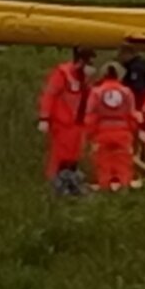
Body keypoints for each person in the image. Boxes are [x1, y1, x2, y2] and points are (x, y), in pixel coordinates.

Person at [37, 47, 94, 195]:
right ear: (80, 61)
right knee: (60, 157)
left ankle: (70, 185)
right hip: (62, 123)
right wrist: (45, 117)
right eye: (88, 62)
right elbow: (49, 94)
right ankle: (56, 188)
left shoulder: (84, 79)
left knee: (74, 156)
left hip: (78, 124)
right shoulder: (62, 74)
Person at [83, 62, 141, 192]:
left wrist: (89, 135)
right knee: (123, 162)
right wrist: (134, 132)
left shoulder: (96, 92)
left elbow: (90, 115)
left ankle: (105, 190)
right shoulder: (127, 92)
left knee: (103, 162)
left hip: (102, 133)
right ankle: (124, 189)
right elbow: (132, 114)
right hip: (123, 132)